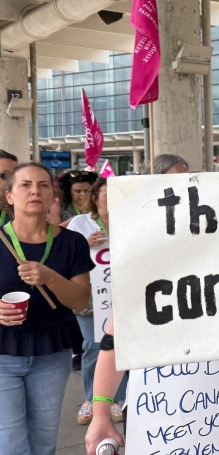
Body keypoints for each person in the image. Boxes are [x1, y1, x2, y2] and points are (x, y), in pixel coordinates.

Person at [85, 154, 219, 455]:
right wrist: (102, 412)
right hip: (164, 418)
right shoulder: (142, 261)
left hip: (217, 419)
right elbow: (113, 342)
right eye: (174, 188)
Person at [0, 163, 93, 455]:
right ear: (10, 196)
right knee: (11, 453)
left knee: (42, 445)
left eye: (42, 185)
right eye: (24, 185)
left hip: (52, 353)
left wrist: (51, 277)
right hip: (2, 356)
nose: (34, 191)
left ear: (53, 195)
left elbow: (79, 299)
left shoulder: (70, 242)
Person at [66, 178, 124, 424]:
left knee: (120, 348)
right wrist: (84, 244)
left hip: (122, 296)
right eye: (106, 195)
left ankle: (116, 399)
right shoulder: (81, 223)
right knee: (93, 345)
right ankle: (92, 397)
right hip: (91, 298)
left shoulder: (129, 220)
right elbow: (63, 250)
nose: (111, 200)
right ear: (95, 198)